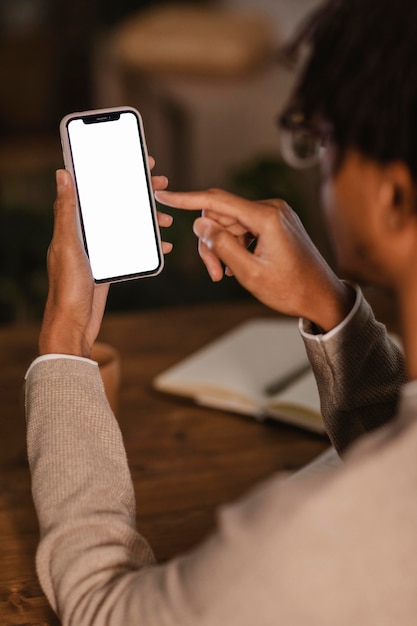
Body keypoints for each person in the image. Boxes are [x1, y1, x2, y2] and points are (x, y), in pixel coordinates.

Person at [25, 0, 417, 623]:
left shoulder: (307, 543)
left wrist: (64, 336)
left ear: (394, 197)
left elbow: (103, 607)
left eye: (323, 141)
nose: (319, 165)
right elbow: (399, 445)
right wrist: (331, 307)